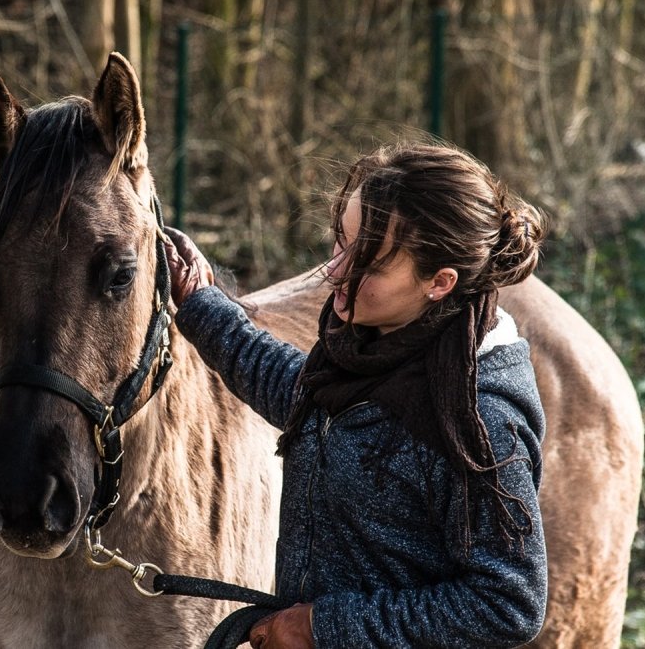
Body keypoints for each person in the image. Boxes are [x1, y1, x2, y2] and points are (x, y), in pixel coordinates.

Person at [163, 143, 548, 649]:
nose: (334, 271)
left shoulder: (479, 419)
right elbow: (302, 396)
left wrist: (322, 629)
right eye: (340, 242)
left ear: (440, 282)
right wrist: (199, 303)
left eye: (368, 261)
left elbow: (510, 602)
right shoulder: (373, 355)